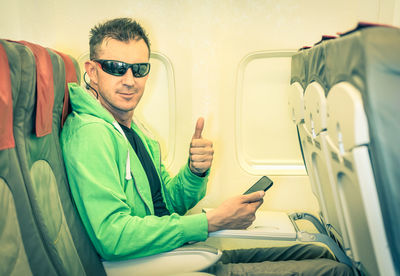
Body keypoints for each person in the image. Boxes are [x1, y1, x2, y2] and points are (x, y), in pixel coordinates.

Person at [60, 17, 354, 275]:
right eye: (115, 68)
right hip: (142, 263)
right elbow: (114, 238)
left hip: (165, 249)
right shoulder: (91, 134)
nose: (129, 80)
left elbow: (168, 203)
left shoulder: (134, 129)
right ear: (92, 70)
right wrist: (210, 222)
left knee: (314, 254)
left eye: (139, 69)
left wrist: (194, 172)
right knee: (332, 271)